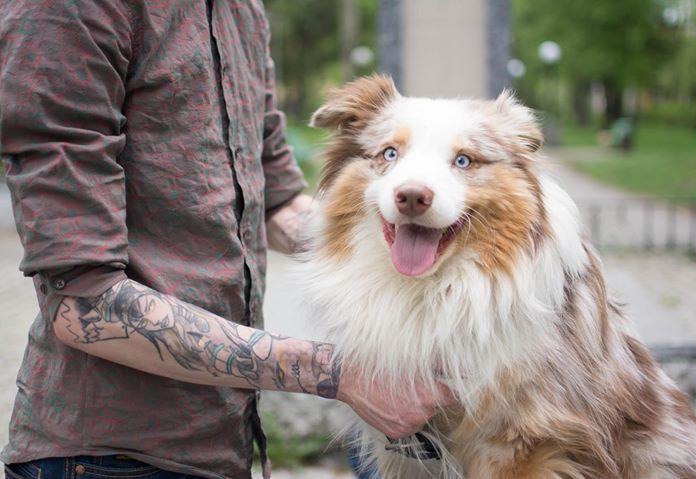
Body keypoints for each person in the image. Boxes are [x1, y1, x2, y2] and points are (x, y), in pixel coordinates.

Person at [0, 1, 454, 478]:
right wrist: (340, 375)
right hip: (105, 457)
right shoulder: (67, 9)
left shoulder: (240, 8)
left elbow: (279, 202)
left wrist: (444, 264)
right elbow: (85, 304)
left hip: (227, 442)